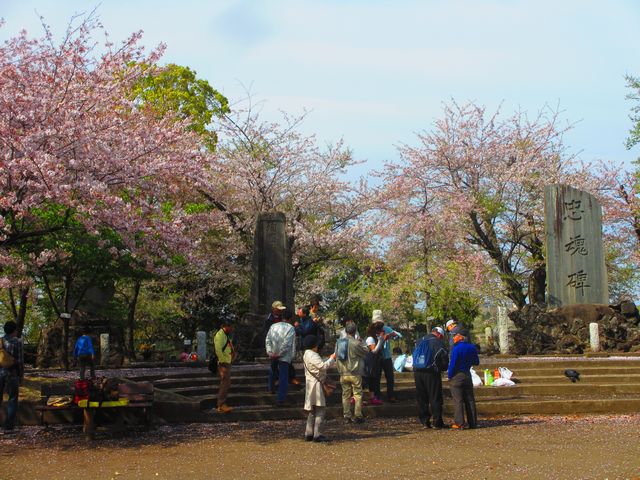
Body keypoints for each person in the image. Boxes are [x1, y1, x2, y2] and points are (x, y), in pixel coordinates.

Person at [414, 326, 449, 429]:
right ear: (439, 334)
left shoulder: (419, 340)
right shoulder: (438, 342)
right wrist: (443, 368)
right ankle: (437, 422)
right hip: (431, 373)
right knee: (435, 397)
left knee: (422, 398)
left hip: (417, 372)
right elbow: (444, 358)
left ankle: (424, 421)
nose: (441, 338)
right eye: (441, 336)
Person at [302, 335, 336, 442]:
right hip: (316, 384)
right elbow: (323, 366)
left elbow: (319, 364)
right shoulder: (312, 354)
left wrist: (328, 358)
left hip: (310, 383)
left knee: (312, 410)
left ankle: (309, 433)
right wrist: (332, 359)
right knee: (320, 409)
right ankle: (317, 434)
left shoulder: (306, 354)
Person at [335, 321, 368, 424]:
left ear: (345, 330)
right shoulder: (356, 343)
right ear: (355, 331)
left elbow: (336, 356)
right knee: (357, 394)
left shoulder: (338, 343)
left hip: (343, 372)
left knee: (345, 394)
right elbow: (366, 352)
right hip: (355, 372)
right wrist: (362, 342)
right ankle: (358, 415)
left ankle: (347, 416)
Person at [447, 330, 480, 429]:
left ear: (460, 337)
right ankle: (473, 422)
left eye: (454, 336)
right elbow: (476, 362)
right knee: (470, 399)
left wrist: (450, 375)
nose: (453, 338)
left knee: (458, 400)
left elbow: (453, 364)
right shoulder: (472, 347)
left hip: (457, 375)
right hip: (467, 374)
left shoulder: (456, 349)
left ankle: (460, 423)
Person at [265, 311, 296, 406]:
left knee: (272, 370)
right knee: (283, 376)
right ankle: (281, 399)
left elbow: (268, 339)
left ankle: (271, 388)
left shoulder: (273, 326)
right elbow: (287, 343)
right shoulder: (290, 328)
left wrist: (270, 352)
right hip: (284, 355)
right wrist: (280, 353)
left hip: (273, 353)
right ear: (290, 319)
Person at [372, 309, 402, 402]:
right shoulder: (371, 330)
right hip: (376, 357)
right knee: (376, 377)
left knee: (390, 377)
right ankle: (377, 395)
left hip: (387, 356)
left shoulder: (386, 329)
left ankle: (391, 395)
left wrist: (393, 334)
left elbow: (399, 335)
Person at [0, 321, 23, 434]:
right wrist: (21, 375)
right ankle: (8, 427)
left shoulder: (0, 341)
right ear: (14, 330)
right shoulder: (17, 342)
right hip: (12, 374)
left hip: (0, 373)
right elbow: (20, 361)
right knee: (12, 400)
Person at [214, 319, 236, 414]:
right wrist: (223, 361)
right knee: (225, 383)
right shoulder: (220, 335)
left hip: (227, 361)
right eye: (231, 327)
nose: (232, 329)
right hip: (224, 362)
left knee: (226, 383)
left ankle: (222, 404)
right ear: (226, 326)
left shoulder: (225, 334)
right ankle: (221, 404)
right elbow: (218, 350)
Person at [363, 322, 386, 405]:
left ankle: (373, 398)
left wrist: (381, 339)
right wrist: (380, 339)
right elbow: (374, 351)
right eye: (380, 329)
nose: (382, 331)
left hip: (375, 362)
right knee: (366, 380)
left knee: (373, 380)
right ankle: (356, 398)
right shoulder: (370, 339)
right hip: (369, 362)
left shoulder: (376, 338)